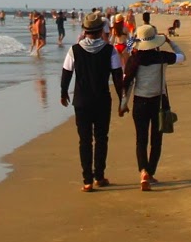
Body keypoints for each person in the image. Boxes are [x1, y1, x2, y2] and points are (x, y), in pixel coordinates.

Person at [60, 12, 125, 192]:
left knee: (85, 140)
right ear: (99, 31)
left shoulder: (74, 50)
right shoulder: (109, 50)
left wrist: (63, 92)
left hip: (81, 101)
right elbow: (118, 77)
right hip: (102, 101)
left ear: (86, 30)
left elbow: (66, 73)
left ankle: (87, 180)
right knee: (101, 139)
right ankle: (99, 176)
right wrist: (122, 100)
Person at [124, 23, 184, 190]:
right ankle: (150, 172)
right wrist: (169, 41)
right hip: (158, 102)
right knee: (156, 140)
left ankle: (143, 171)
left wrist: (123, 105)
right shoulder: (163, 57)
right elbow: (181, 56)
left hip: (139, 102)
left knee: (140, 140)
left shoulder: (134, 59)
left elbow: (127, 82)